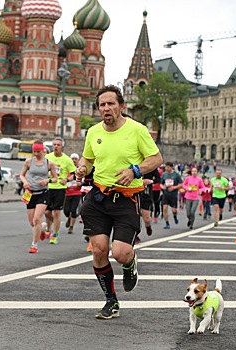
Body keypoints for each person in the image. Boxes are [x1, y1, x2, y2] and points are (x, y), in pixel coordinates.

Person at [75, 85, 162, 320]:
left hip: (125, 199)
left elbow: (156, 158)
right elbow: (88, 158)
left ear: (121, 106)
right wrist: (83, 168)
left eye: (111, 103)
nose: (106, 108)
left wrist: (135, 170)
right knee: (99, 251)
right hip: (98, 198)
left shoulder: (137, 130)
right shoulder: (93, 132)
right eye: (102, 104)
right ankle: (111, 301)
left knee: (121, 253)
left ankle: (130, 263)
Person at [19, 140, 58, 254]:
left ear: (43, 150)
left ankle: (34, 245)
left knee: (37, 218)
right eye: (34, 152)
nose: (36, 154)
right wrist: (25, 182)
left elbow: (55, 178)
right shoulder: (28, 161)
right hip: (30, 193)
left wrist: (47, 180)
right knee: (32, 222)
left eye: (38, 151)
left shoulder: (49, 163)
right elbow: (22, 175)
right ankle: (42, 228)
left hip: (43, 193)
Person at [44, 137, 76, 244]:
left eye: (58, 145)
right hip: (48, 187)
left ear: (62, 147)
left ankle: (55, 234)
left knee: (57, 212)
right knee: (47, 211)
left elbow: (74, 174)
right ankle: (52, 227)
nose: (56, 146)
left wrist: (66, 179)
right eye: (54, 145)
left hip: (60, 188)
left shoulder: (67, 160)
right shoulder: (47, 157)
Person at [161, 161, 183, 229]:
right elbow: (161, 183)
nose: (166, 168)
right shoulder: (164, 175)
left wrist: (174, 187)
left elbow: (181, 184)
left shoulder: (176, 175)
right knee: (164, 208)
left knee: (174, 210)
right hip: (166, 194)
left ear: (171, 167)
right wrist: (163, 187)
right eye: (165, 167)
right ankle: (167, 223)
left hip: (173, 195)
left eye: (168, 167)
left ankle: (175, 216)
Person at [63, 153, 82, 235]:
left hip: (77, 192)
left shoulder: (80, 170)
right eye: (72, 159)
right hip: (68, 192)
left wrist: (80, 183)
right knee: (66, 211)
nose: (74, 160)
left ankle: (71, 227)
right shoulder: (67, 170)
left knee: (73, 210)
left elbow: (84, 180)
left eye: (75, 159)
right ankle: (69, 218)